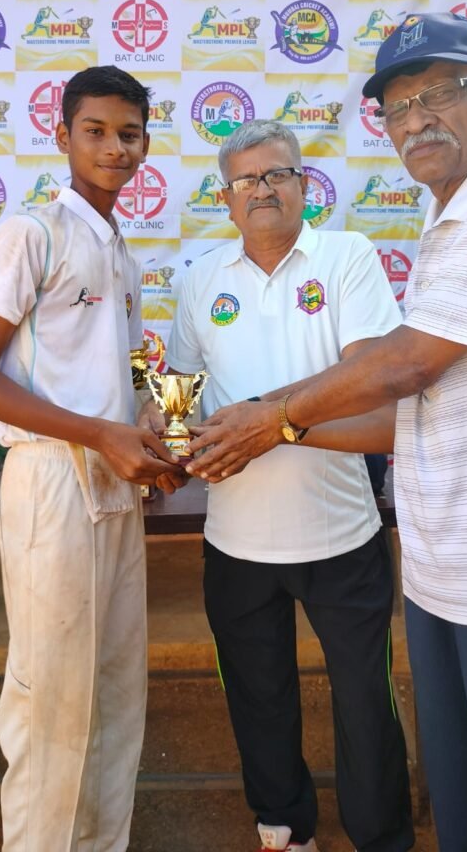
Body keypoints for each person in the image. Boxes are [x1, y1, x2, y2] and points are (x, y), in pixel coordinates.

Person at [184, 13, 467, 852]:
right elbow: (415, 394)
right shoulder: (441, 223)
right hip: (452, 572)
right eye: (399, 106)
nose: (417, 119)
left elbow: (406, 368)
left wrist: (270, 420)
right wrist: (224, 433)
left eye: (441, 94)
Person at [145, 119, 414, 852]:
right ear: (225, 198)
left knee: (366, 704)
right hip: (235, 542)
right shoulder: (199, 279)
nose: (262, 188)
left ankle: (380, 837)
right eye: (246, 179)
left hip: (342, 536)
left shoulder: (348, 257)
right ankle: (285, 831)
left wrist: (273, 425)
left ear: (304, 185)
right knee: (258, 700)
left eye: (277, 174)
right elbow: (181, 390)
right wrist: (163, 426)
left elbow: (376, 398)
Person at [0, 65, 182, 852]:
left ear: (146, 143)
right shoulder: (33, 232)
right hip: (51, 478)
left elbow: (118, 375)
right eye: (96, 131)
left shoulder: (121, 252)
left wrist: (146, 426)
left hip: (114, 480)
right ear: (62, 136)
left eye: (130, 134)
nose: (115, 148)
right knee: (49, 696)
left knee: (113, 689)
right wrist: (97, 434)